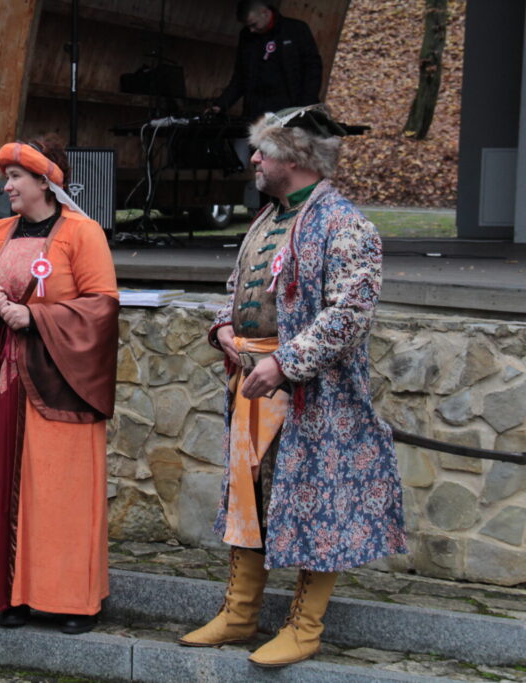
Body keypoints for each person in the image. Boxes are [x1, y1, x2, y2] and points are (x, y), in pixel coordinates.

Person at [177, 105, 406, 667]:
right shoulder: (267, 219)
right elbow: (238, 288)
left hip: (313, 397)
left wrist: (285, 364)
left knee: (315, 504)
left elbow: (350, 314)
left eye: (264, 150)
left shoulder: (346, 225)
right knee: (249, 495)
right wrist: (224, 327)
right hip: (253, 387)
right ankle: (240, 613)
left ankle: (305, 628)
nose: (254, 159)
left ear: (296, 157)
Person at [0, 136, 119, 635]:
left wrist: (34, 316)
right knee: (7, 485)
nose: (7, 186)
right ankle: (14, 593)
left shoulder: (83, 233)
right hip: (6, 379)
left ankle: (74, 600)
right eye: (7, 177)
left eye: (16, 177)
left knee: (61, 488)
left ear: (45, 182)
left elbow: (102, 306)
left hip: (61, 378)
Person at [210, 1, 323, 121]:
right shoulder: (246, 36)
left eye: (254, 24)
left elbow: (313, 69)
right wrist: (221, 104)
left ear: (265, 13)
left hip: (288, 110)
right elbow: (240, 76)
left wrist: (304, 106)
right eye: (248, 26)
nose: (251, 30)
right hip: (254, 111)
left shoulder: (295, 29)